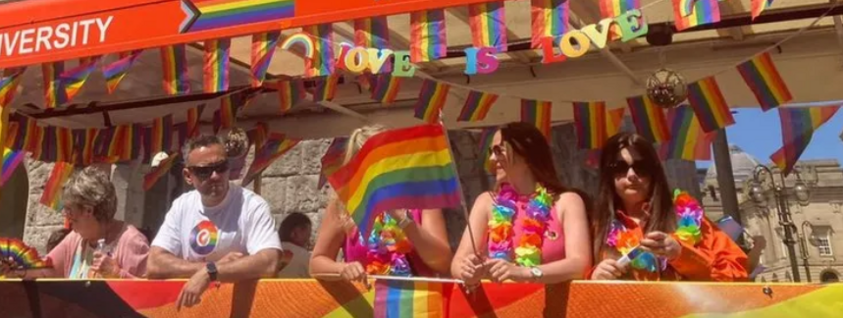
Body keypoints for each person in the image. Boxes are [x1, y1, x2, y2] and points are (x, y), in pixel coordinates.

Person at [589, 133, 749, 282]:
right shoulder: (594, 226)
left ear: (654, 173)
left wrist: (681, 254)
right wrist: (593, 277)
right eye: (620, 167)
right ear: (607, 175)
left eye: (641, 167)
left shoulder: (686, 218)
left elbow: (738, 274)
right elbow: (570, 285)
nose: (631, 175)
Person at [148, 135, 282, 309]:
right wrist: (211, 268)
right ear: (188, 176)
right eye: (205, 171)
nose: (215, 176)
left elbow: (270, 262)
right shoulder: (182, 205)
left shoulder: (251, 205)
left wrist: (210, 273)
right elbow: (154, 264)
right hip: (194, 310)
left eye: (221, 167)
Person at [451, 122, 592, 285]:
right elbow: (457, 263)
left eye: (499, 150)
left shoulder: (567, 201)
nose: (491, 159)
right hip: (502, 306)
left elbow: (580, 264)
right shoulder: (487, 202)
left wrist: (525, 272)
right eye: (491, 152)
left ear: (525, 155)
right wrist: (466, 270)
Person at [310, 125, 452, 281]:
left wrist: (404, 220)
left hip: (416, 302)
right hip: (364, 302)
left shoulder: (423, 197)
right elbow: (317, 263)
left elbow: (443, 262)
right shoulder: (343, 204)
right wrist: (342, 269)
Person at [13, 165, 149, 279]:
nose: (67, 216)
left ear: (88, 210)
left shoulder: (132, 241)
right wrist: (19, 268)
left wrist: (117, 274)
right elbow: (45, 269)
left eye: (70, 210)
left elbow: (150, 296)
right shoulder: (75, 239)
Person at [277, 212, 313, 278]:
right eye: (308, 235)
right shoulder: (305, 256)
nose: (308, 241)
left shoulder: (269, 252)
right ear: (294, 233)